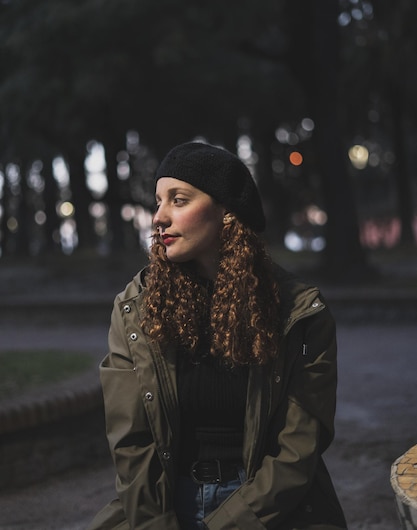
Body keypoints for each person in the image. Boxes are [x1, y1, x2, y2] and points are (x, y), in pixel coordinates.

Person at [87, 141, 347, 530]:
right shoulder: (136, 309)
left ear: (227, 211)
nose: (159, 216)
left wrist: (225, 524)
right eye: (157, 201)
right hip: (163, 502)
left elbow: (300, 446)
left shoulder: (300, 312)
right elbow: (131, 442)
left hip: (268, 508)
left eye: (178, 200)